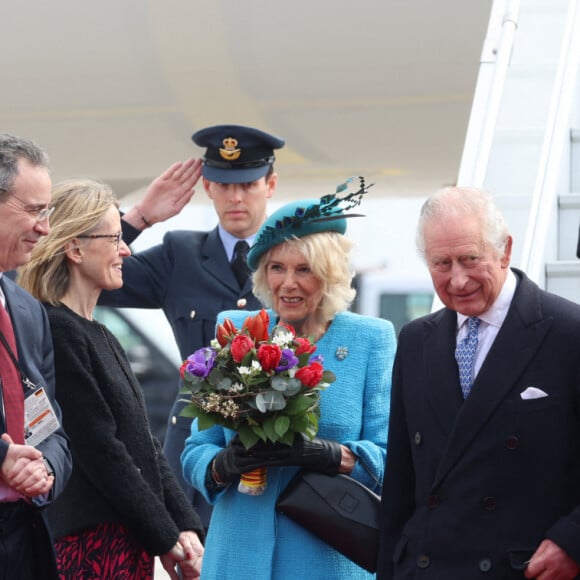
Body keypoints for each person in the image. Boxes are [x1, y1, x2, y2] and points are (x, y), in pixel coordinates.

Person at [181, 180, 396, 579]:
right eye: (277, 268)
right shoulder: (238, 331)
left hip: (326, 558)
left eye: (304, 270)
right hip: (237, 558)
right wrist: (222, 465)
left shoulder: (370, 339)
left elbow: (392, 458)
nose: (288, 283)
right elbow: (196, 449)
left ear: (329, 276)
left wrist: (332, 456)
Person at [377, 186, 580, 580]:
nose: (457, 280)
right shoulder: (416, 339)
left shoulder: (569, 333)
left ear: (504, 250)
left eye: (470, 259)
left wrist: (573, 542)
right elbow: (400, 484)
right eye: (441, 263)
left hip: (525, 568)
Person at [18, 179, 205, 579]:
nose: (126, 250)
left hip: (122, 538)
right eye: (115, 238)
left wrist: (184, 527)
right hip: (90, 545)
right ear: (75, 247)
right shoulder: (57, 330)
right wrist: (166, 536)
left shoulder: (98, 333)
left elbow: (145, 445)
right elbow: (101, 449)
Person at [100, 124, 285, 528]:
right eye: (223, 184)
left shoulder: (295, 259)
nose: (235, 197)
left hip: (274, 454)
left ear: (270, 185)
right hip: (194, 459)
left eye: (248, 184)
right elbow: (87, 279)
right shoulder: (178, 255)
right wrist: (137, 218)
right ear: (207, 187)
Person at [0, 133, 73, 580]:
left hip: (23, 540)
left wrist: (43, 468)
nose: (45, 228)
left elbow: (51, 427)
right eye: (33, 210)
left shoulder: (26, 309)